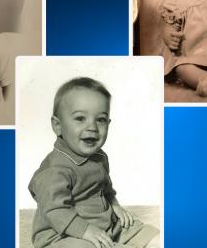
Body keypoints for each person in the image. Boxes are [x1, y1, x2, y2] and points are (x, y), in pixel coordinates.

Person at [29, 77, 159, 248]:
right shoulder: (55, 169)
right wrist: (86, 231)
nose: (92, 127)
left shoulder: (99, 157)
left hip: (106, 226)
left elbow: (105, 188)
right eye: (80, 118)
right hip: (63, 236)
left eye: (101, 120)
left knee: (153, 236)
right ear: (57, 125)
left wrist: (115, 206)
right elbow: (54, 210)